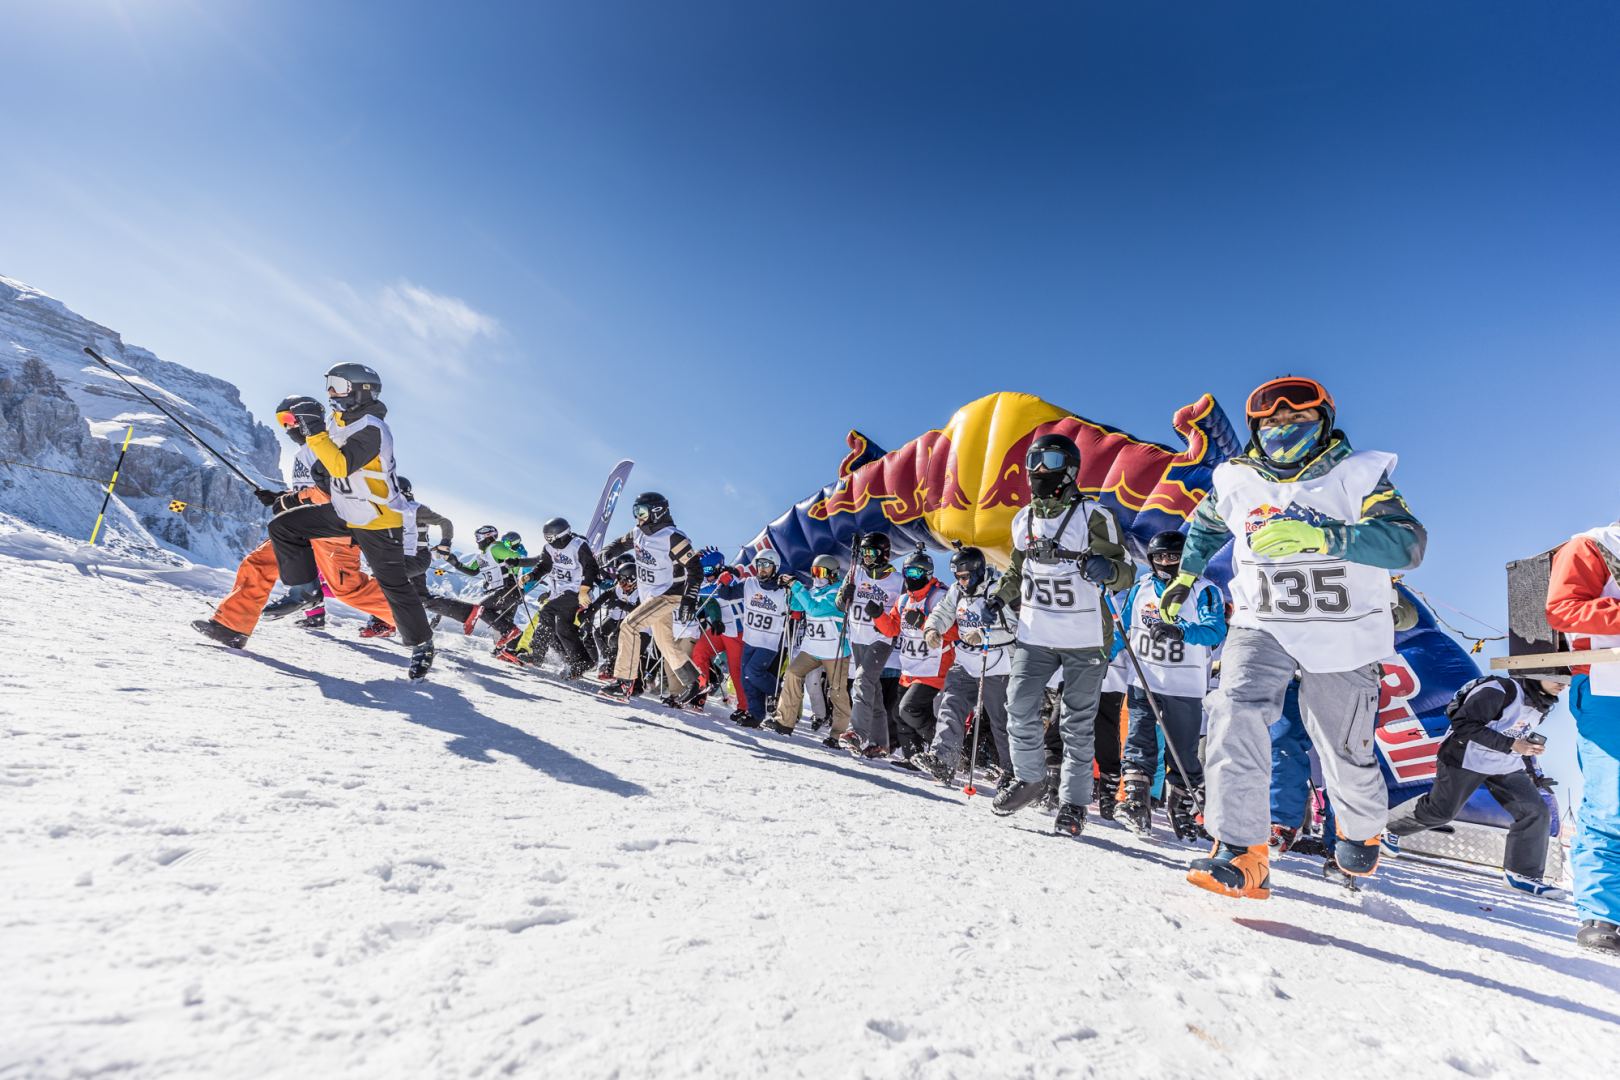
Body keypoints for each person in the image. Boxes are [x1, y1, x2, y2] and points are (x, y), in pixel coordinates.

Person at [1164, 375, 1425, 899]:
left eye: (1297, 420)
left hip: (1343, 629)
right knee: (1233, 709)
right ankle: (1241, 851)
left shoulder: (1358, 476)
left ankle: (1360, 827)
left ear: (1323, 423)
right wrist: (1186, 576)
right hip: (1264, 623)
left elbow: (1406, 543)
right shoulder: (1236, 479)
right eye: (1272, 422)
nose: (1284, 428)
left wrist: (1321, 536)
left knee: (1342, 749)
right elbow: (1206, 527)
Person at [990, 432, 1135, 838]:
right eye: (1033, 461)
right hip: (1036, 633)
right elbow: (1018, 571)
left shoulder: (1093, 516)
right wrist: (998, 599)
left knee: (1076, 722)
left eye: (1050, 461)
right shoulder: (1024, 519)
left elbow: (1126, 571)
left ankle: (1073, 804)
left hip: (1085, 637)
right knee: (1018, 704)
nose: (1038, 470)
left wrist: (1108, 571)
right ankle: (1030, 778)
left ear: (1070, 469)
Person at [258, 369, 437, 679]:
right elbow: (325, 468)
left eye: (338, 386)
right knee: (284, 527)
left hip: (377, 518)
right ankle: (304, 592)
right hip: (344, 511)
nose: (330, 393)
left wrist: (314, 431)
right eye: (328, 385)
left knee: (394, 584)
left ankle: (422, 642)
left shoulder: (373, 429)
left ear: (362, 391)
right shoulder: (339, 422)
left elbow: (340, 465)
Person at [193, 394, 400, 648]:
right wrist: (279, 498)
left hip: (332, 529)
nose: (287, 426)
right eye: (282, 421)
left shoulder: (326, 445)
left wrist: (290, 501)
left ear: (306, 417)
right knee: (259, 563)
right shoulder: (303, 453)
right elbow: (308, 492)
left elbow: (332, 490)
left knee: (349, 590)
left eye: (290, 418)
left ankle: (414, 616)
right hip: (305, 528)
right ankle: (231, 626)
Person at [1383, 674, 1568, 898]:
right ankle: (1386, 828)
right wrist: (1512, 744)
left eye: (1568, 682)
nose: (1563, 685)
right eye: (1558, 677)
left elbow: (1517, 732)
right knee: (1441, 812)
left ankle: (1522, 875)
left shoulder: (1543, 704)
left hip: (1504, 763)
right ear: (1536, 671)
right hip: (1466, 755)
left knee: (1535, 811)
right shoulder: (1500, 689)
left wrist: (1528, 758)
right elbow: (1463, 724)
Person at [1117, 530, 1227, 840]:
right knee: (1138, 739)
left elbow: (1214, 631)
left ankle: (1181, 805)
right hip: (1144, 679)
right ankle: (1136, 802)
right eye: (1159, 558)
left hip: (1184, 683)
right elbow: (1124, 629)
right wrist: (1100, 655)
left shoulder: (1204, 591)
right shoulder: (1140, 589)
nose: (1165, 563)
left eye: (1172, 557)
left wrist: (1181, 631)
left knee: (1183, 751)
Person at [1545, 518, 1620, 954]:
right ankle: (1602, 913)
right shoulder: (1593, 545)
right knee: (1612, 803)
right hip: (1610, 689)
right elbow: (1565, 609)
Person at [913, 545, 1015, 785]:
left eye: (965, 576)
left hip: (996, 662)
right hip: (966, 661)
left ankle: (1013, 773)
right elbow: (943, 611)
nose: (961, 581)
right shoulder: (957, 592)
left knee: (1001, 720)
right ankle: (943, 760)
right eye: (957, 577)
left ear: (978, 572)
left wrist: (983, 634)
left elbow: (1014, 626)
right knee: (950, 707)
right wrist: (932, 628)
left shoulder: (997, 590)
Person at [598, 492, 703, 700]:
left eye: (642, 511)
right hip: (651, 596)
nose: (638, 516)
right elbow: (621, 543)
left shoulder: (672, 537)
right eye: (635, 511)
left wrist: (689, 599)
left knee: (629, 625)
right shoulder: (638, 532)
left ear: (657, 511)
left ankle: (624, 682)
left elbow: (695, 568)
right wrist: (609, 551)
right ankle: (693, 682)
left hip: (668, 594)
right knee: (664, 642)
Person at [872, 549, 954, 764]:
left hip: (933, 666)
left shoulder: (940, 597)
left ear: (927, 574)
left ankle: (948, 750)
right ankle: (914, 758)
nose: (910, 577)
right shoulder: (902, 601)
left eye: (916, 573)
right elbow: (891, 629)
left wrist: (925, 623)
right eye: (908, 571)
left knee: (910, 709)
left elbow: (956, 631)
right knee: (900, 715)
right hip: (909, 667)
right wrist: (878, 615)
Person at [835, 532, 908, 757]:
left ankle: (857, 733)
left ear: (884, 554)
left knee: (862, 680)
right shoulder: (855, 573)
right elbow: (840, 604)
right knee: (873, 691)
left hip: (881, 639)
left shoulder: (897, 581)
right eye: (864, 552)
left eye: (871, 553)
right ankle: (880, 743)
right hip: (858, 638)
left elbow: (904, 611)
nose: (866, 557)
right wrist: (843, 596)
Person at [774, 554, 852, 740]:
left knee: (837, 691)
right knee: (792, 674)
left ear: (832, 574)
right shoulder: (813, 590)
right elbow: (798, 606)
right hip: (812, 649)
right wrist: (789, 589)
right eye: (814, 572)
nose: (816, 577)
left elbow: (814, 609)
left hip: (835, 652)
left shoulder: (837, 594)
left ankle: (838, 734)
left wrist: (796, 586)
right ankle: (784, 721)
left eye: (821, 572)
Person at [715, 549, 794, 726]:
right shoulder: (749, 584)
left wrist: (793, 590)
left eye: (766, 565)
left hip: (769, 642)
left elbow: (798, 605)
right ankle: (756, 715)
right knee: (746, 678)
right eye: (759, 565)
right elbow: (726, 594)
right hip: (750, 639)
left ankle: (780, 692)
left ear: (775, 567)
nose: (762, 569)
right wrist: (723, 582)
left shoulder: (783, 590)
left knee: (753, 672)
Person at [392, 476, 480, 633]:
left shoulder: (415, 509)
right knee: (421, 598)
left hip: (418, 558)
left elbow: (445, 522)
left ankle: (383, 622)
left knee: (387, 579)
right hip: (407, 558)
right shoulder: (393, 511)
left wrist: (445, 542)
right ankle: (466, 613)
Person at [517, 516, 601, 678]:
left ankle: (537, 654)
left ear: (561, 534)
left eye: (550, 537)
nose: (548, 541)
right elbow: (544, 566)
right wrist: (531, 576)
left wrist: (584, 590)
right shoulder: (548, 549)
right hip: (559, 592)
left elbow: (591, 568)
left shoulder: (578, 545)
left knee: (547, 611)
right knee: (562, 628)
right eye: (546, 537)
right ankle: (582, 660)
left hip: (576, 590)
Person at [687, 547, 748, 713]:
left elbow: (742, 574)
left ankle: (744, 708)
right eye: (702, 570)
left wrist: (736, 572)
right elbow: (708, 599)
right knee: (699, 652)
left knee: (736, 672)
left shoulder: (729, 579)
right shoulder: (711, 583)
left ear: (718, 566)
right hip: (721, 630)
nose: (706, 574)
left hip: (737, 633)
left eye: (707, 570)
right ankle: (700, 692)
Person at [582, 561, 641, 678]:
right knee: (598, 633)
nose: (621, 584)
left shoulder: (640, 593)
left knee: (614, 640)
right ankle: (608, 660)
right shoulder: (618, 588)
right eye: (619, 580)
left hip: (628, 621)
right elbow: (603, 598)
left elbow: (639, 610)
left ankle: (612, 667)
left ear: (633, 580)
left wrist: (620, 604)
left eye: (623, 581)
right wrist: (590, 611)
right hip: (614, 617)